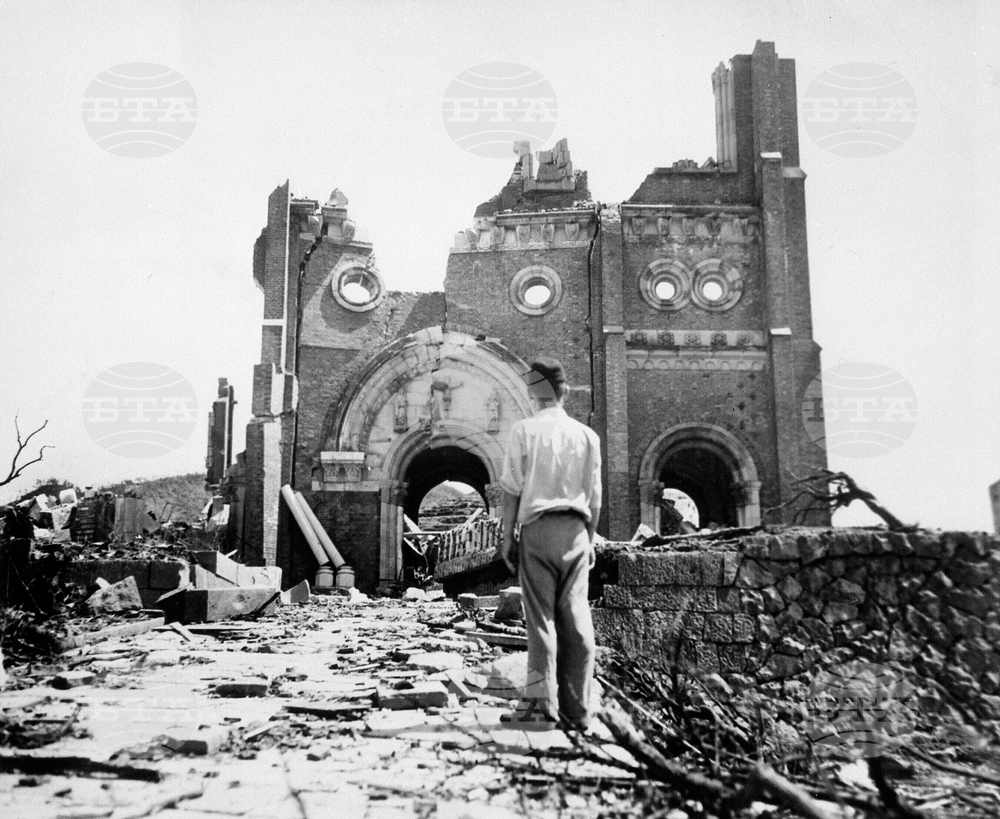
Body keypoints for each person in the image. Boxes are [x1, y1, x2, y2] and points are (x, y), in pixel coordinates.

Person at [498, 356, 602, 731]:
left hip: (538, 531)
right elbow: (595, 498)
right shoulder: (587, 435)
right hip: (576, 530)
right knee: (576, 618)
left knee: (540, 621)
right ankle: (579, 711)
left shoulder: (524, 431)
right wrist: (588, 541)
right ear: (565, 392)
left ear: (533, 391)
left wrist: (506, 537)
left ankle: (541, 709)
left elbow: (511, 490)